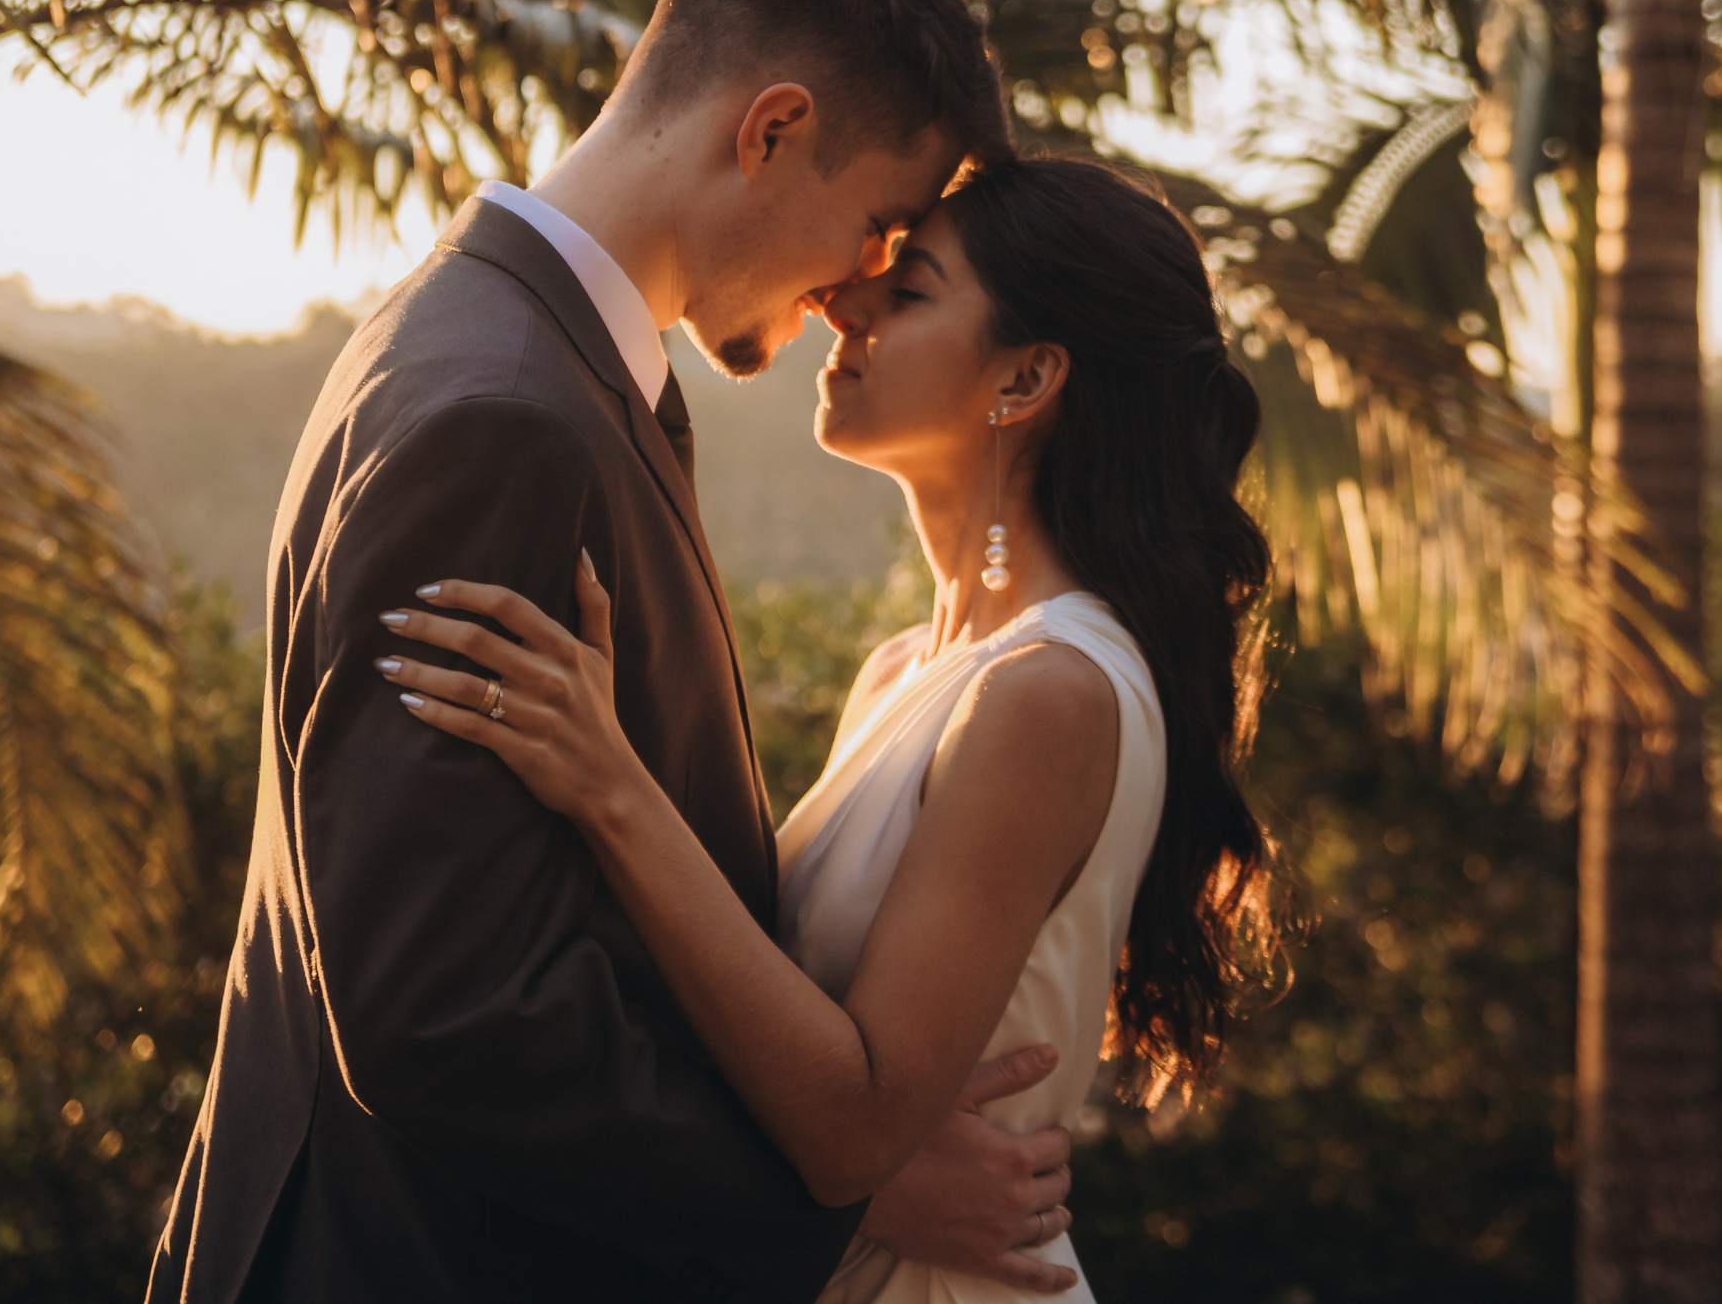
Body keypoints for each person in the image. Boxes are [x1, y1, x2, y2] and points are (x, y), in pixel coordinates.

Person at [147, 0, 1085, 1304]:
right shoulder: (505, 416)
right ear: (770, 129)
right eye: (878, 226)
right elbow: (443, 1011)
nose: (858, 291)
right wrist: (837, 1197)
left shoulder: (481, 337)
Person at [380, 155, 1286, 1301]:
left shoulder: (1048, 691)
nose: (838, 306)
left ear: (1026, 377)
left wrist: (611, 782)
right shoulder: (911, 669)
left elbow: (854, 1126)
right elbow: (810, 1071)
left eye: (907, 293)